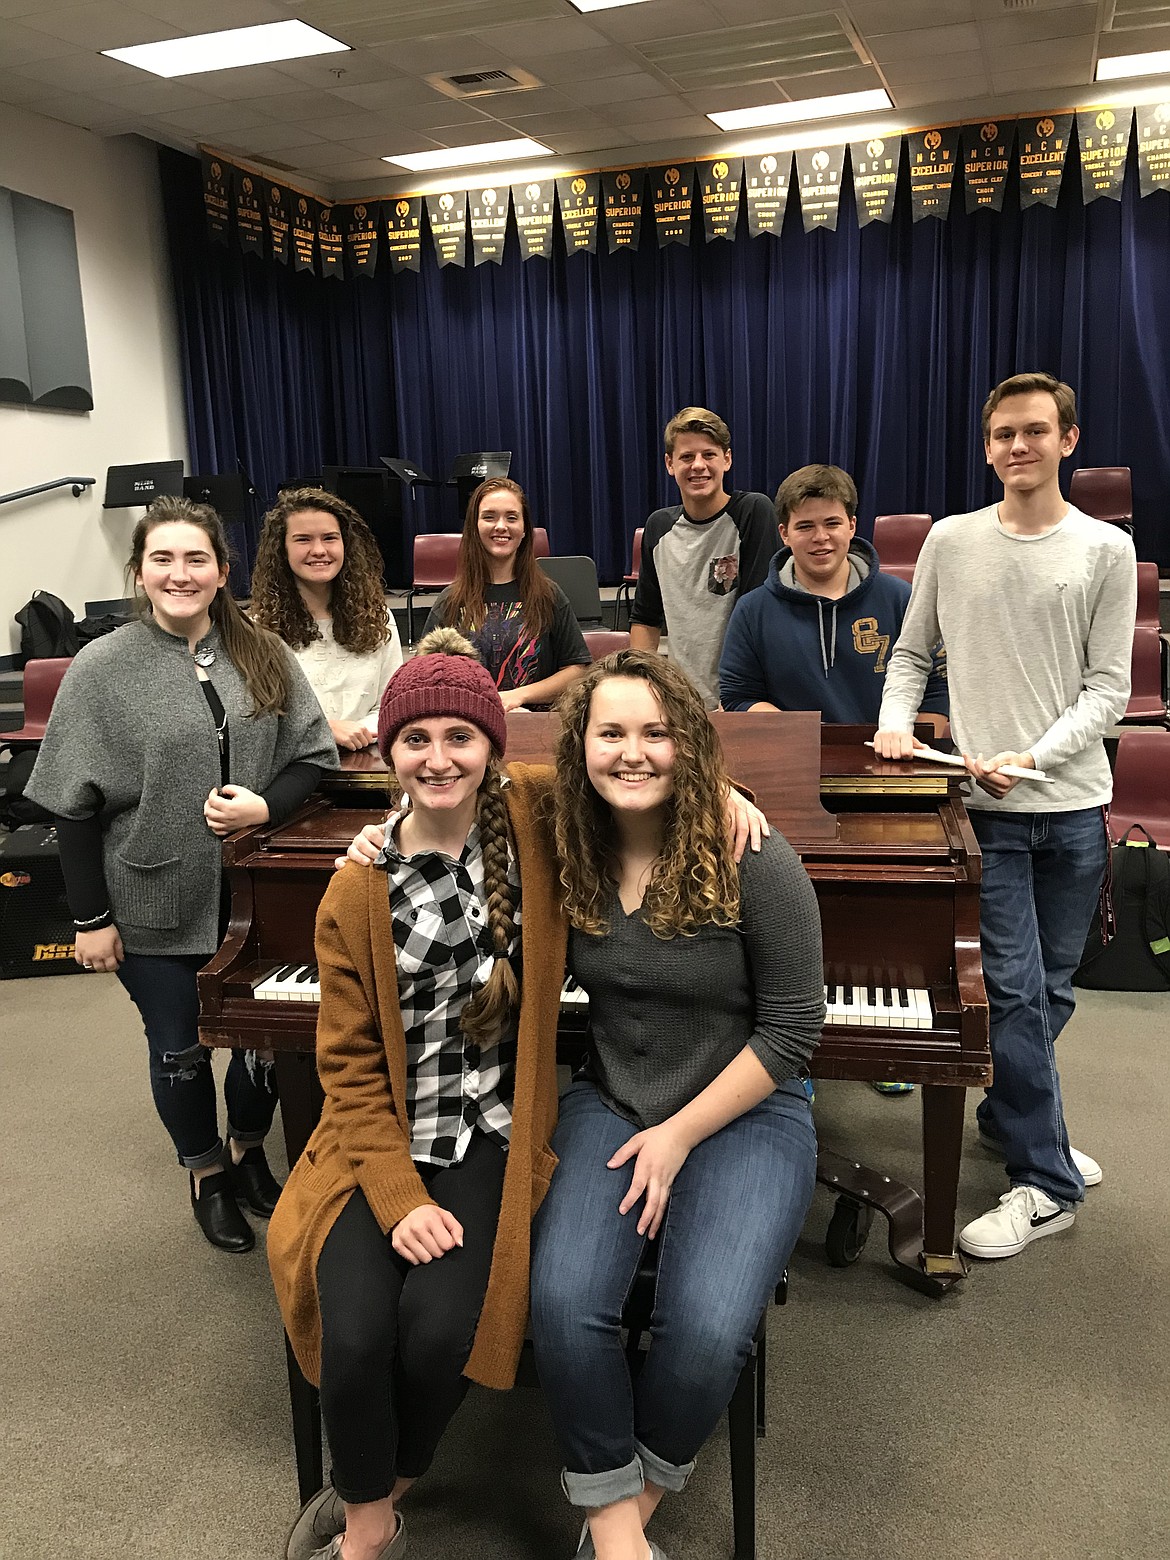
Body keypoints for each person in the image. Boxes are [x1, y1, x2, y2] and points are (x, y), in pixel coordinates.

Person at [269, 629, 570, 1560]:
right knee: (353, 1333)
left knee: (442, 1330)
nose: (439, 758)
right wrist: (397, 1200)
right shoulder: (355, 887)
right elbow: (349, 1067)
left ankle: (376, 1487)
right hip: (384, 1138)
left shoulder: (534, 817)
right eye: (416, 739)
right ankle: (373, 1522)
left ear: (492, 746)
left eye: (460, 737)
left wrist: (725, 793)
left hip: (491, 1130)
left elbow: (650, 771)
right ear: (388, 751)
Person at [529, 651, 823, 1560]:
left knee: (703, 1331)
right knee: (564, 1304)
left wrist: (679, 1135)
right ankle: (619, 1538)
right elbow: (447, 776)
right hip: (614, 1097)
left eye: (658, 733)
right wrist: (379, 835)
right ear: (579, 745)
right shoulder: (563, 837)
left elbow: (792, 1030)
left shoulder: (750, 854)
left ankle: (630, 1506)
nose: (633, 753)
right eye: (611, 733)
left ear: (691, 744)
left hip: (747, 1110)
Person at [26, 495, 337, 1252]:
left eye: (196, 558)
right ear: (139, 571)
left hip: (255, 896)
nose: (180, 572)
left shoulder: (263, 650)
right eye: (162, 558)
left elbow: (313, 757)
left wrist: (265, 805)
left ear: (223, 571)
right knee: (180, 1047)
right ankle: (205, 1172)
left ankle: (245, 1151)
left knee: (264, 1040)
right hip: (151, 898)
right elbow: (71, 804)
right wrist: (91, 921)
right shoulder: (101, 668)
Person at [875, 371, 1136, 1260]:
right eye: (1002, 435)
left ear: (1068, 439)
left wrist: (1037, 754)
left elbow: (1110, 689)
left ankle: (1014, 1113)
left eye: (1034, 432)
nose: (1017, 447)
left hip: (1073, 807)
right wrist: (892, 726)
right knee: (1015, 992)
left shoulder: (1103, 550)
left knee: (1053, 990)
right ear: (987, 448)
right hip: (984, 812)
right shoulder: (952, 541)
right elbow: (911, 654)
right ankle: (1045, 1180)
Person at [719, 462, 948, 722]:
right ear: (784, 533)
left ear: (851, 526)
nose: (820, 537)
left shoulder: (901, 599)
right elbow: (739, 696)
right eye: (805, 526)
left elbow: (937, 691)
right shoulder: (752, 611)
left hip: (890, 758)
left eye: (832, 523)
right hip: (793, 758)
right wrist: (799, 740)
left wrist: (908, 751)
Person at [629, 407, 775, 709]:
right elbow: (645, 620)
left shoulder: (753, 512)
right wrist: (643, 689)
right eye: (686, 457)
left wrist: (736, 698)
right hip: (683, 702)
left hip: (741, 699)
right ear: (670, 463)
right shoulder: (658, 527)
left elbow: (758, 613)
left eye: (709, 455)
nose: (698, 466)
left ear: (727, 459)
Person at [249, 487, 403, 751]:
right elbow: (257, 715)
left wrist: (358, 733)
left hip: (370, 761)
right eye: (303, 540)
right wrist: (326, 729)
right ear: (281, 550)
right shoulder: (258, 628)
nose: (319, 550)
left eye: (330, 538)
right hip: (295, 770)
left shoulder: (379, 618)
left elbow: (393, 701)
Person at [423, 476, 591, 710]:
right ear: (474, 527)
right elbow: (426, 676)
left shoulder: (549, 596)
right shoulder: (450, 601)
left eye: (512, 518)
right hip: (468, 732)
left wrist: (517, 696)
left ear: (524, 530)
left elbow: (576, 670)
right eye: (489, 517)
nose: (501, 526)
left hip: (535, 729)